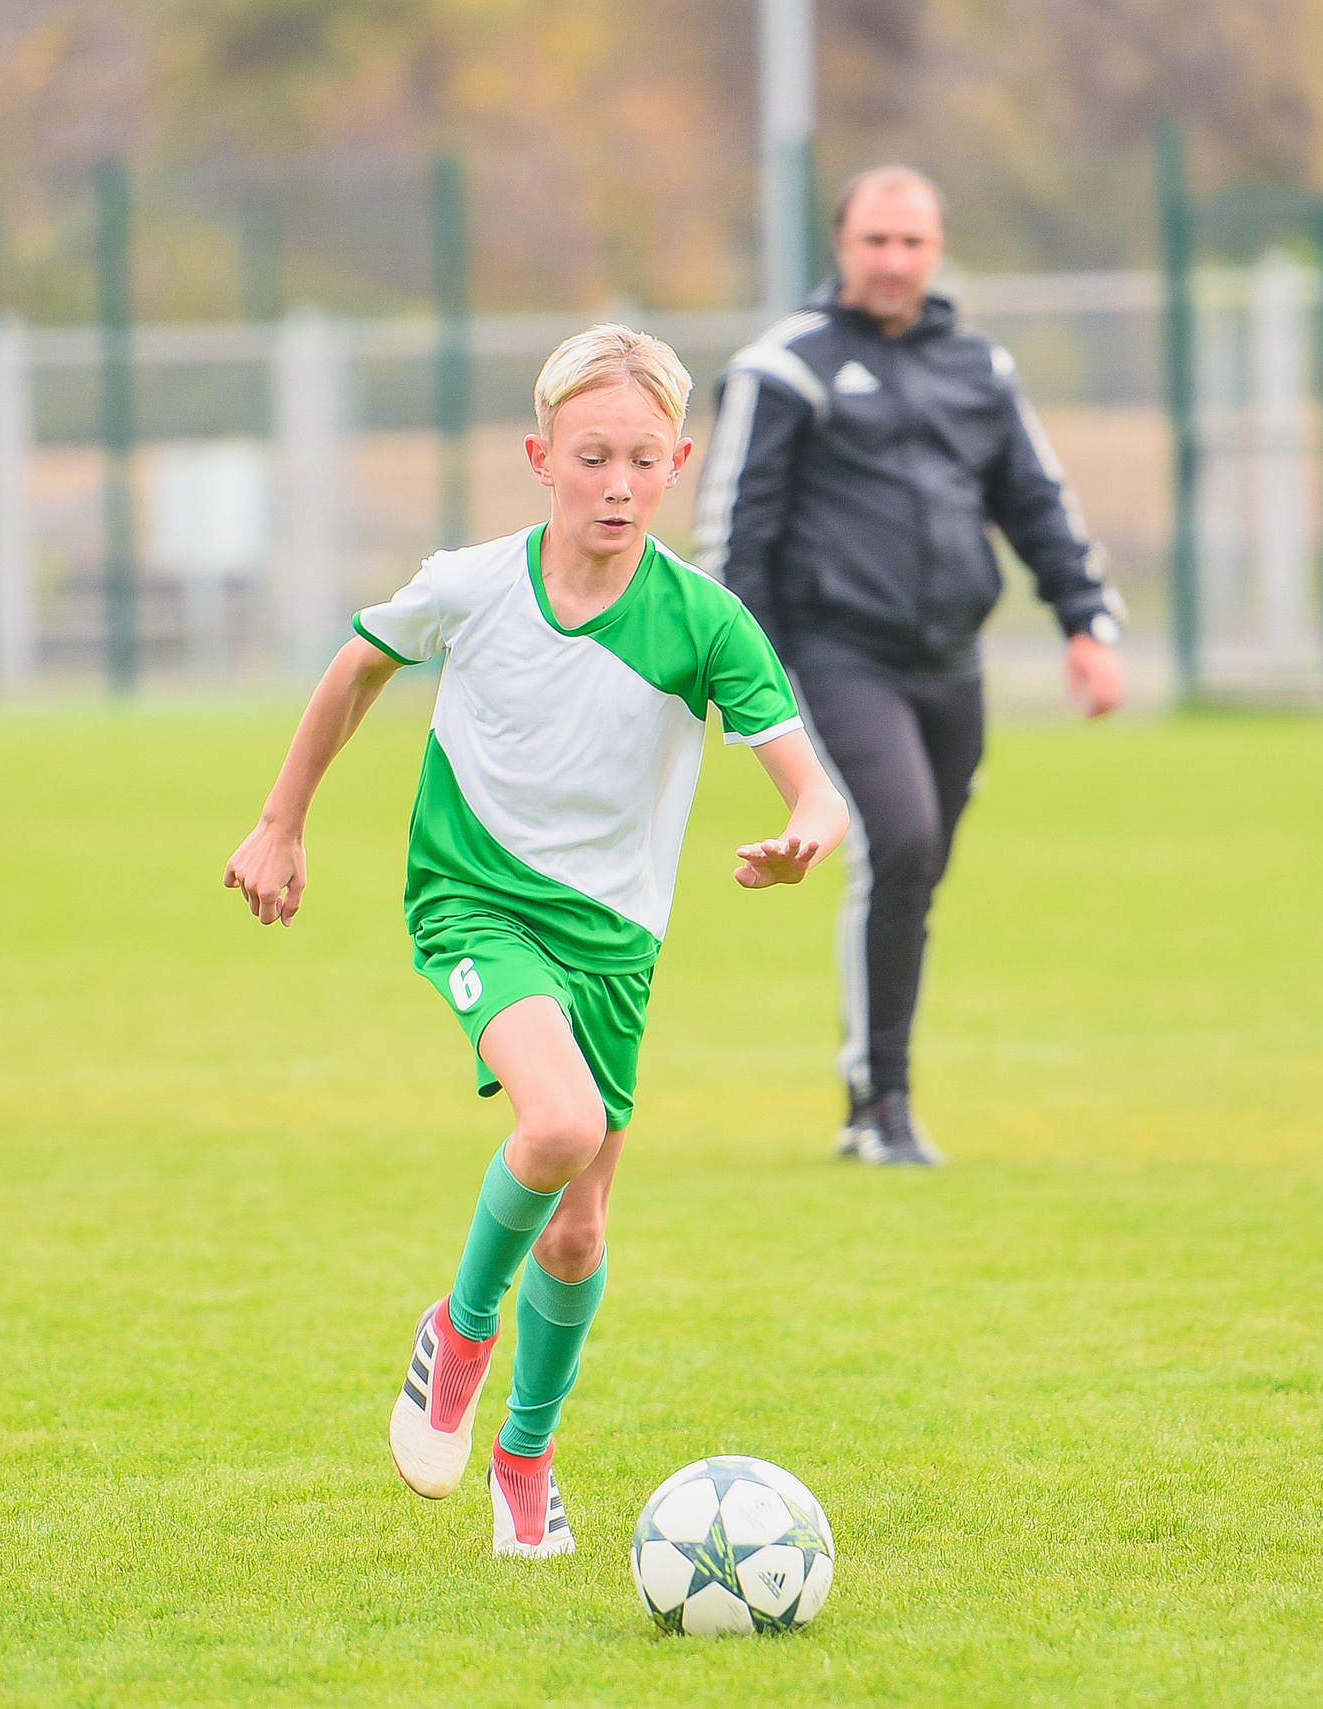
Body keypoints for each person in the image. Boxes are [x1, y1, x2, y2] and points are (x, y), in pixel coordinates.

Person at [222, 325, 848, 1556]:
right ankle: (458, 1335)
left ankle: (525, 1453)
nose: (617, 484)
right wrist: (281, 820)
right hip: (475, 898)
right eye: (591, 456)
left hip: (613, 945)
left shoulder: (706, 621)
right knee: (555, 1123)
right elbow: (356, 669)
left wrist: (805, 834)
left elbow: (812, 785)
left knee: (577, 1230)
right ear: (540, 458)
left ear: (679, 463)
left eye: (643, 460)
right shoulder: (472, 584)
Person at [693, 163, 1127, 1167]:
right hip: (835, 654)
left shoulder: (979, 366)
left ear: (938, 250)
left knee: (919, 864)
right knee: (901, 837)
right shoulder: (783, 368)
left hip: (950, 659)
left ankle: (881, 1092)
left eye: (912, 242)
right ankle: (876, 1101)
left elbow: (1036, 500)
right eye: (875, 241)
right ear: (840, 245)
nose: (893, 260)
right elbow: (734, 533)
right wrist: (741, 673)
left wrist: (1087, 624)